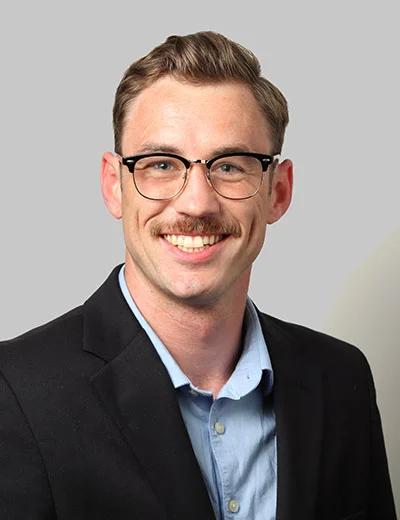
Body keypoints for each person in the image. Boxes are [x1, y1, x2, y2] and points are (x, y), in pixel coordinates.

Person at [0, 32, 396, 520]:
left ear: (278, 192)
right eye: (161, 164)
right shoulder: (15, 390)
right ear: (114, 185)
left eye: (229, 166)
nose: (197, 203)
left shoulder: (340, 379)